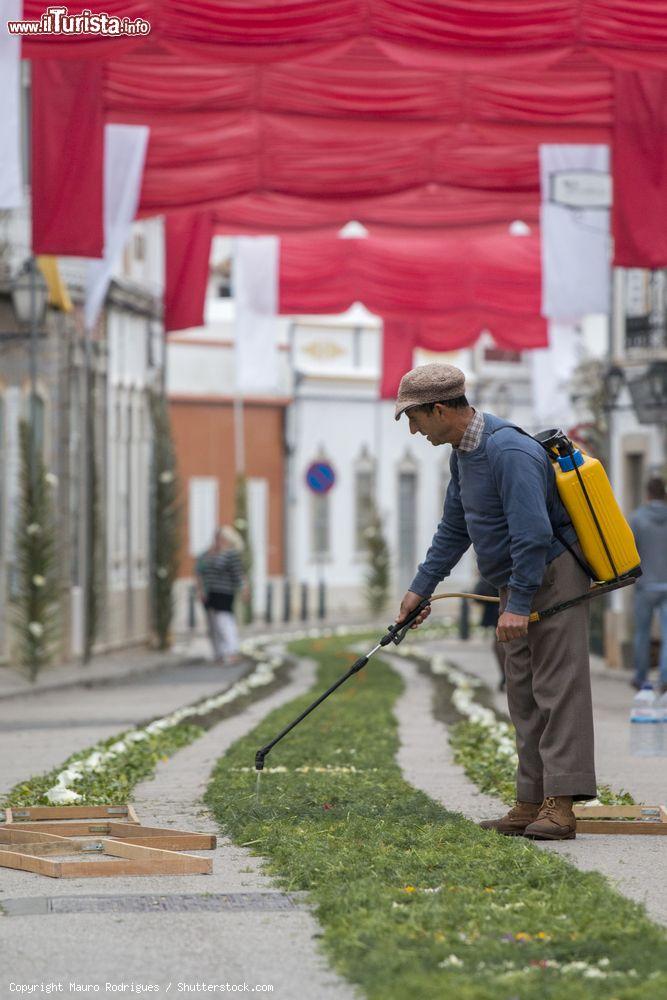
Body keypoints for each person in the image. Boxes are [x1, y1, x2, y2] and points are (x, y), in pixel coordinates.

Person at [394, 362, 596, 841]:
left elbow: (532, 533)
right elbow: (455, 528)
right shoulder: (463, 454)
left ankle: (561, 806)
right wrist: (420, 587)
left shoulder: (508, 449)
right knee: (522, 692)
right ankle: (530, 799)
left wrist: (519, 601)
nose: (414, 430)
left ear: (440, 409)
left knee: (556, 689)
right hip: (516, 583)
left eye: (414, 418)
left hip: (551, 578)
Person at [629, 476, 667, 692]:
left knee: (642, 633)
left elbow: (630, 551)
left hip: (645, 585)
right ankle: (665, 678)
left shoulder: (637, 519)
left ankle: (641, 678)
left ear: (648, 494)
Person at [195, 526, 248, 665]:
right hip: (209, 592)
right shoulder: (207, 554)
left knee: (223, 621)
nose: (218, 540)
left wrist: (244, 588)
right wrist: (200, 590)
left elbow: (238, 574)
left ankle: (231, 651)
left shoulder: (230, 554)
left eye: (221, 538)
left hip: (224, 592)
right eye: (217, 537)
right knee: (212, 624)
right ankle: (218, 653)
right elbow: (199, 572)